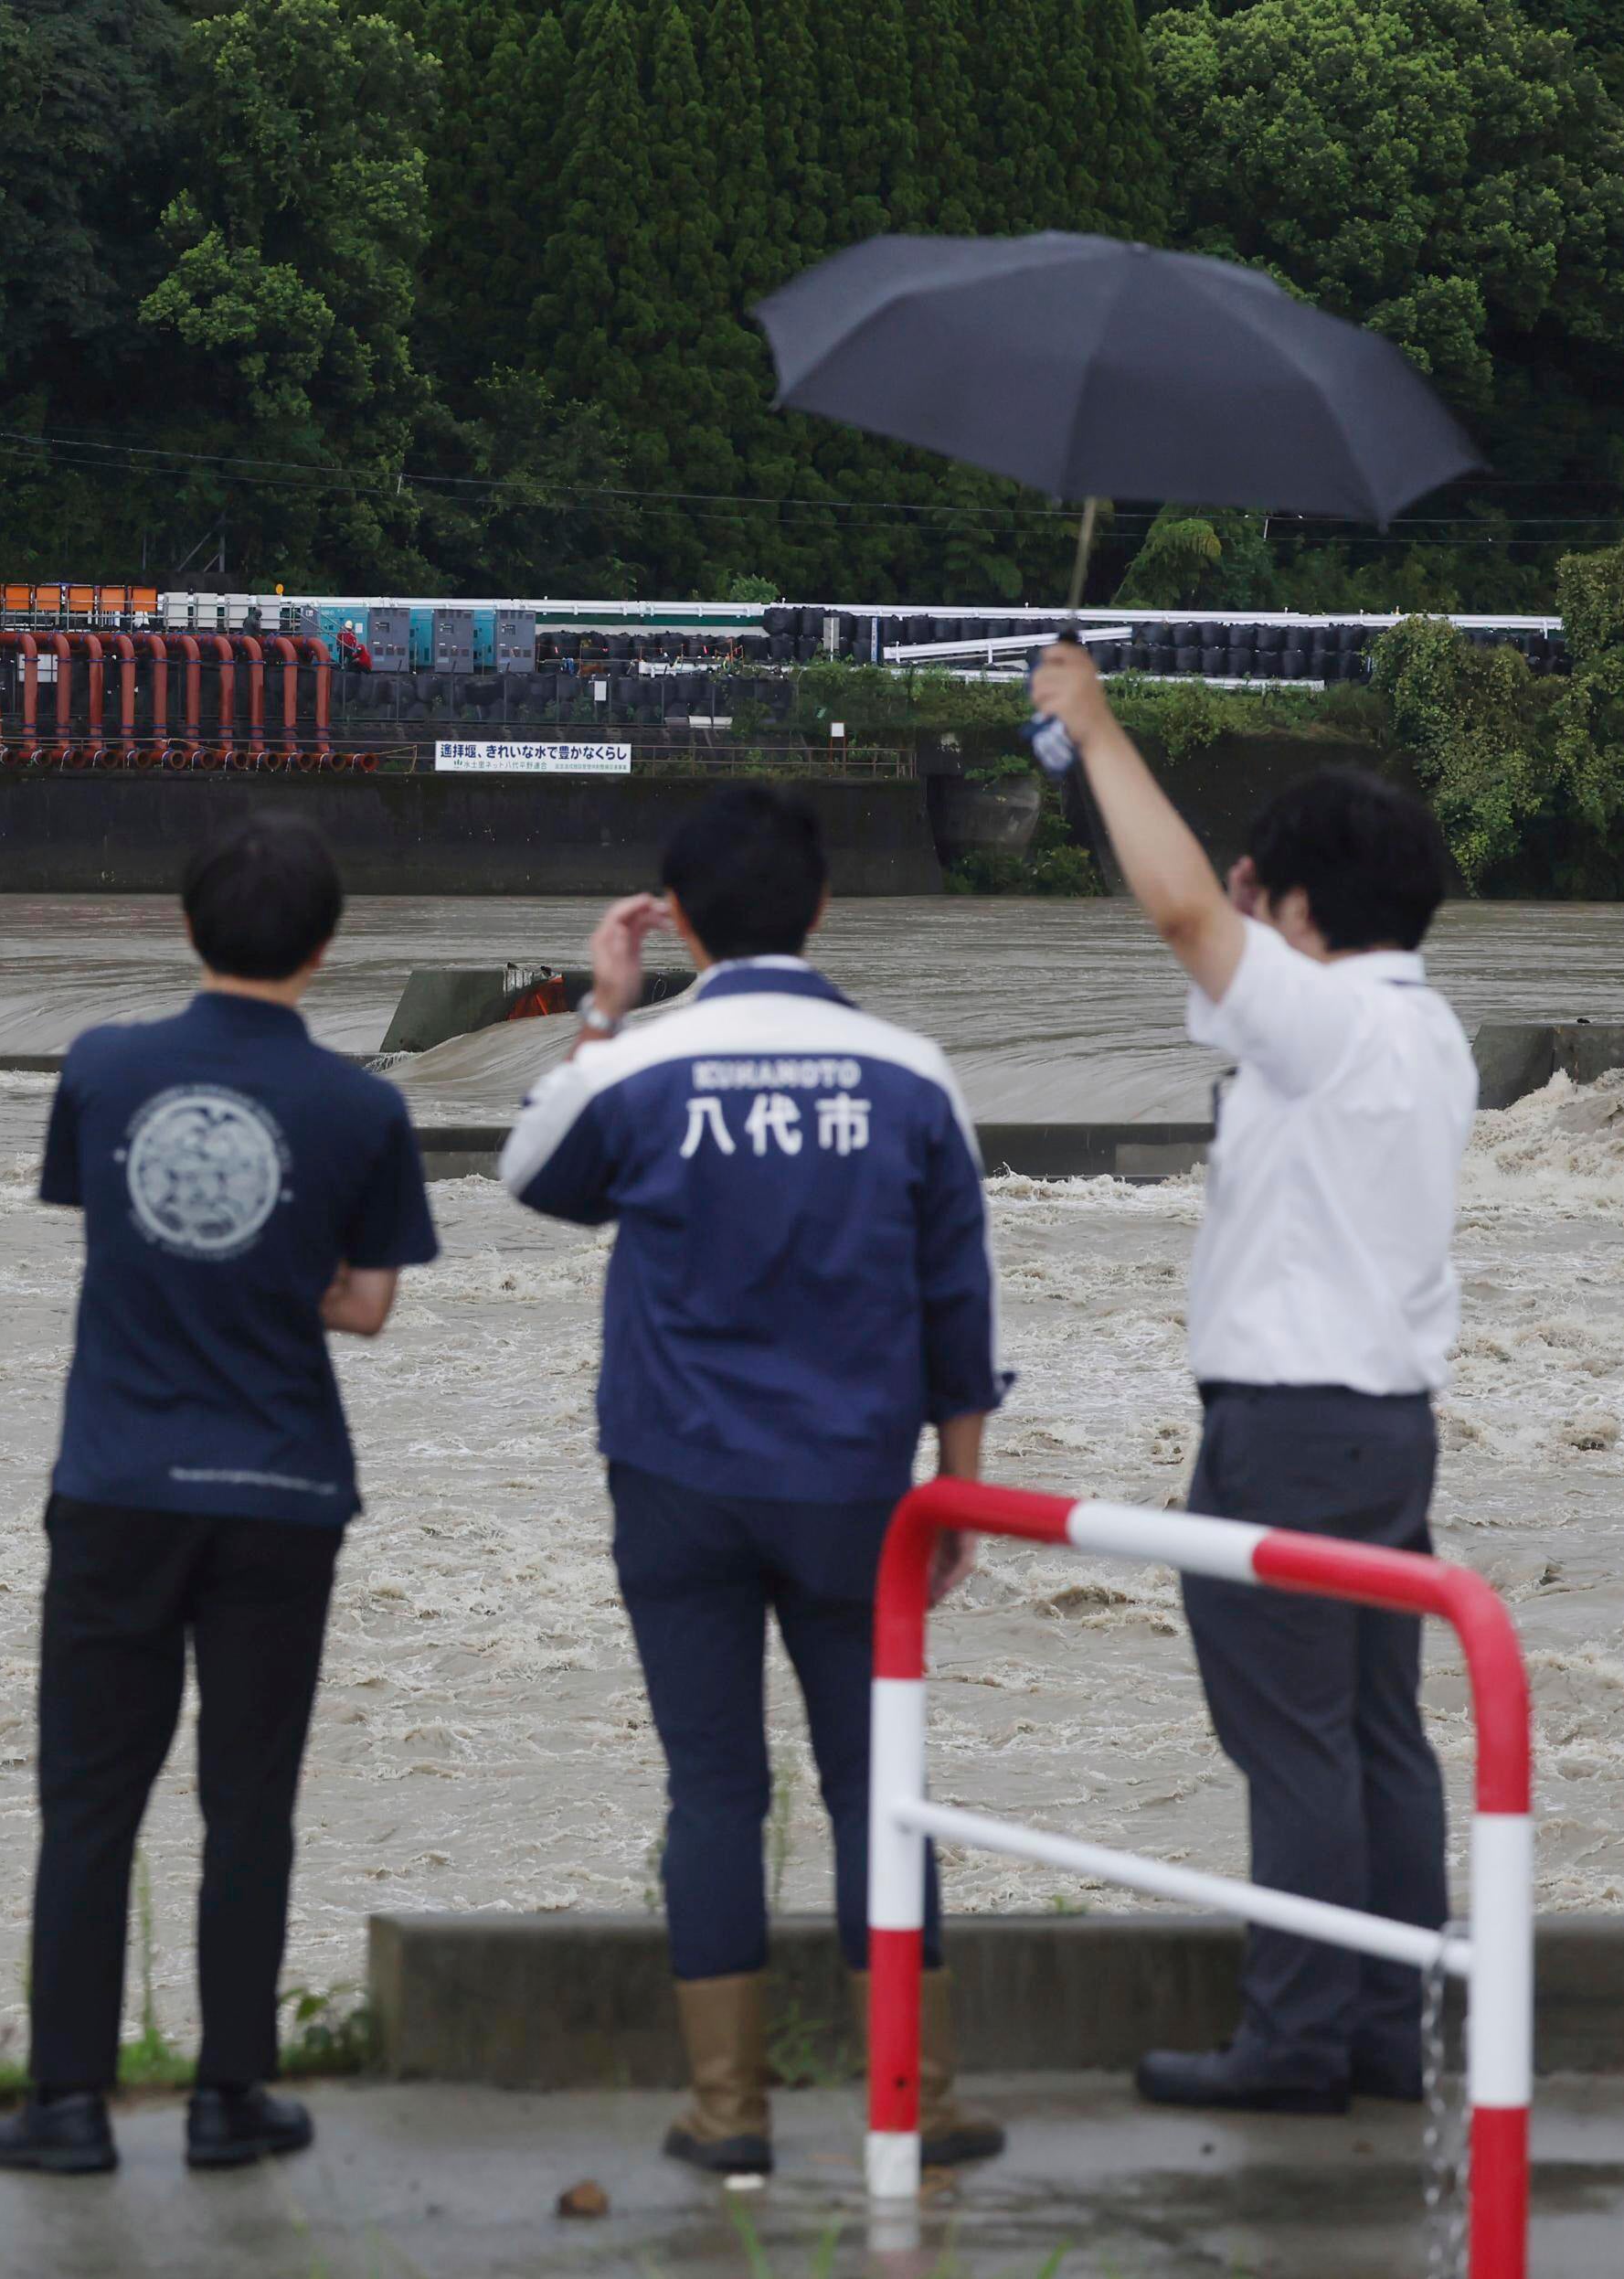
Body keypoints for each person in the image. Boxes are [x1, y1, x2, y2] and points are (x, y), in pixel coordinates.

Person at [497, 783, 1004, 2178]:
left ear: (678, 923)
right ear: (824, 907)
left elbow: (529, 1173)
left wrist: (603, 1005)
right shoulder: (908, 1073)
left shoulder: (637, 1069)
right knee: (873, 1785)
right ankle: (922, 2093)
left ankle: (728, 2114)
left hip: (675, 1476)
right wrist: (958, 1481)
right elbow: (958, 1290)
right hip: (852, 1481)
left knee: (714, 1789)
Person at [1032, 644, 1474, 2115]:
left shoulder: (1331, 1019)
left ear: (1300, 912)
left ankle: (1291, 2043)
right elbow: (1210, 942)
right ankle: (1375, 2030)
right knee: (1378, 1735)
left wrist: (1092, 726)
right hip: (1388, 1425)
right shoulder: (1424, 1028)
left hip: (1287, 1426)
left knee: (1292, 1742)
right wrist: (1240, 910)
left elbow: (1173, 908)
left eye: (1263, 891)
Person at [0, 813, 440, 2178]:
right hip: (280, 1488)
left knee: (89, 1800)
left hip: (116, 1479)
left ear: (186, 927)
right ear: (328, 944)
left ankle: (66, 2101)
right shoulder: (363, 1108)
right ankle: (229, 2094)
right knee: (249, 1802)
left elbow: (113, 1224)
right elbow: (364, 1305)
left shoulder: (106, 1069)